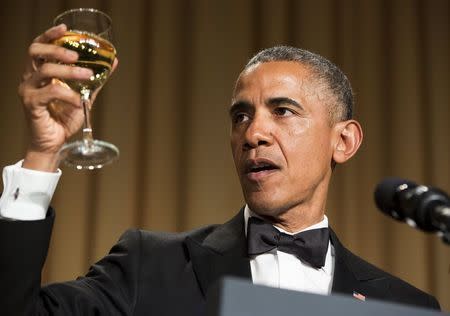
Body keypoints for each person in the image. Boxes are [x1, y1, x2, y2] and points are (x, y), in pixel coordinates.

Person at [0, 24, 440, 315]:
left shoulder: (404, 304)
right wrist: (43, 153)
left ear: (343, 142)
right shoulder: (149, 265)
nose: (254, 133)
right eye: (241, 116)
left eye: (283, 111)